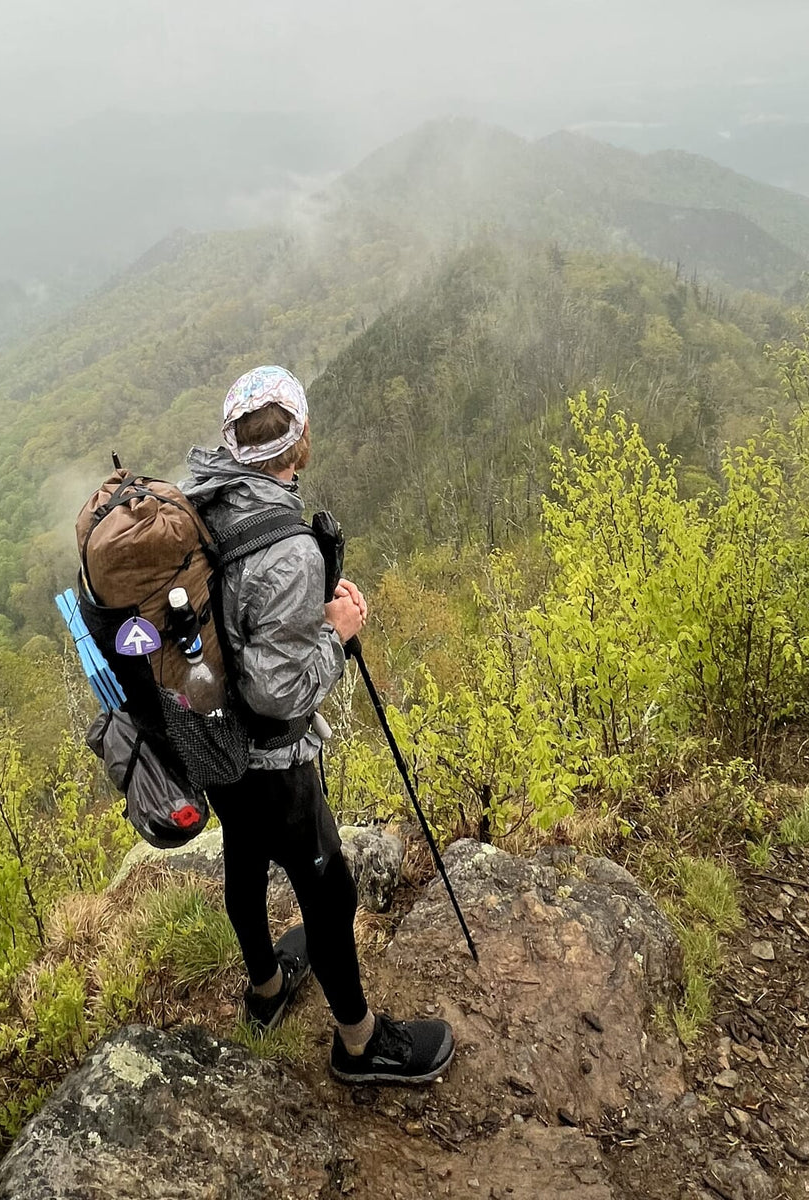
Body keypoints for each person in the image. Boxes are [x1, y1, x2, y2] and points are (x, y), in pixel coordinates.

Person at [180, 364, 455, 1086]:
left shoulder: (202, 501)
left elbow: (240, 619)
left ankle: (267, 990)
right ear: (299, 447)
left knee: (242, 854)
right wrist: (336, 631)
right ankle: (360, 1045)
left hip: (210, 739)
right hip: (270, 759)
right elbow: (278, 693)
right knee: (328, 891)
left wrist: (309, 613)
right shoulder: (288, 547)